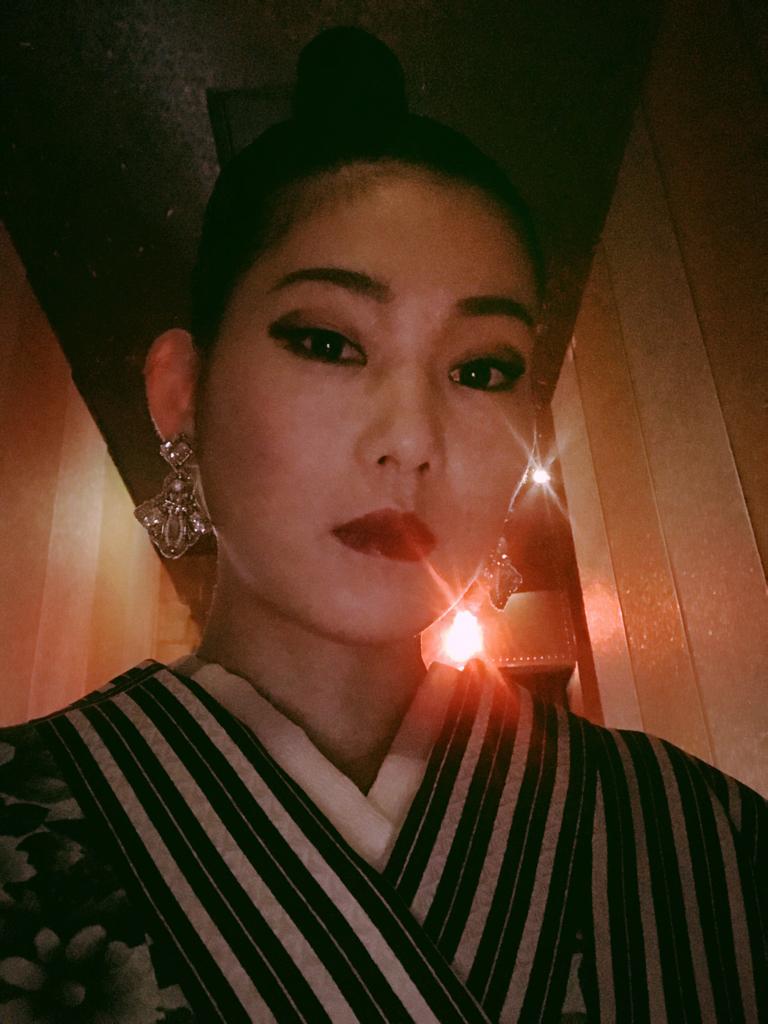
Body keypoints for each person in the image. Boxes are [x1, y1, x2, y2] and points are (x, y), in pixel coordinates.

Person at [0, 26, 764, 1024]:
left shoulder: (705, 840)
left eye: (481, 368)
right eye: (328, 342)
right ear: (182, 389)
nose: (411, 440)